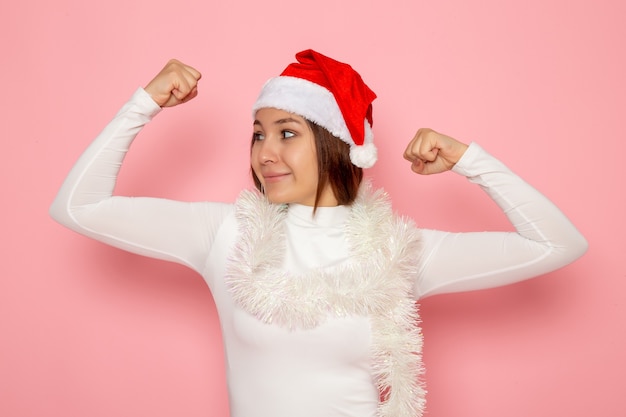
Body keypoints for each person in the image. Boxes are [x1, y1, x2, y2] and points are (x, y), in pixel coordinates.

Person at [49, 49, 588, 417]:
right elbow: (80, 206)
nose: (265, 152)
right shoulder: (225, 234)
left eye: (288, 133)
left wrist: (472, 162)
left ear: (338, 146)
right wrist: (142, 105)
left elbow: (557, 244)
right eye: (258, 133)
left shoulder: (398, 251)